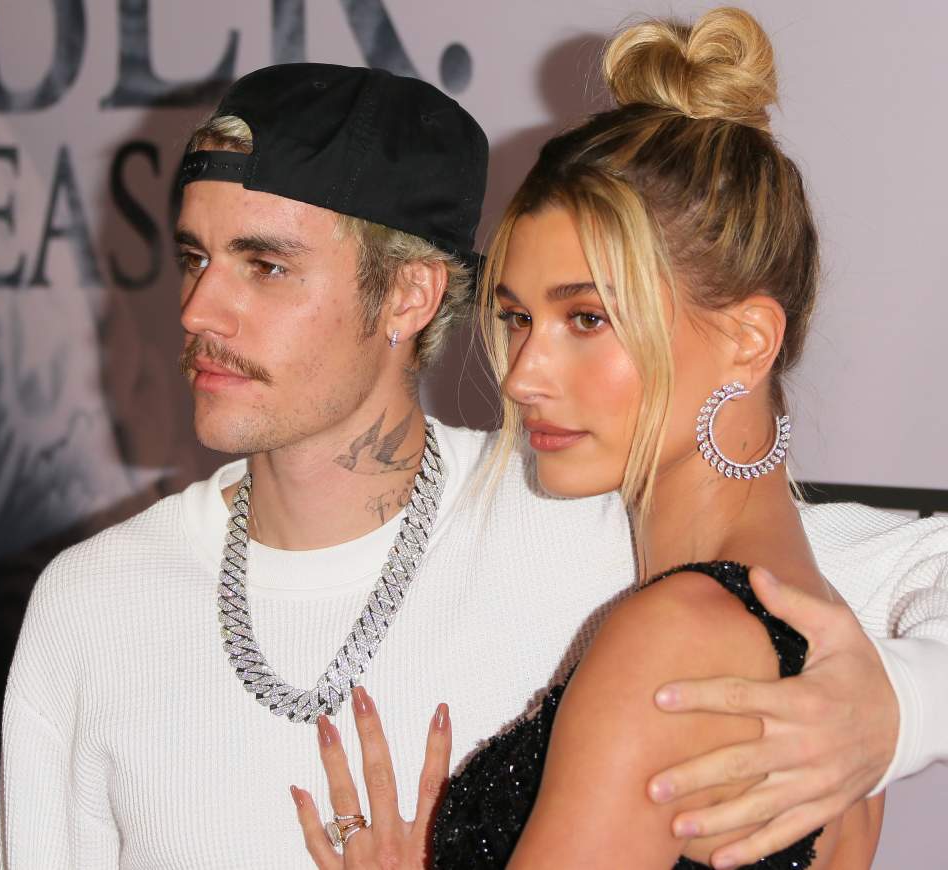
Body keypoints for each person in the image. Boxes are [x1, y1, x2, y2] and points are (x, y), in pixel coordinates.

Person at [0, 58, 948, 869]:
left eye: (267, 266)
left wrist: (895, 709)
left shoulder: (590, 517)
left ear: (410, 294)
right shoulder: (92, 601)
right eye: (193, 257)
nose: (200, 310)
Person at [293, 9, 914, 869]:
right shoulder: (834, 665)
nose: (522, 376)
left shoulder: (673, 641)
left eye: (587, 318)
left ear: (748, 341)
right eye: (515, 318)